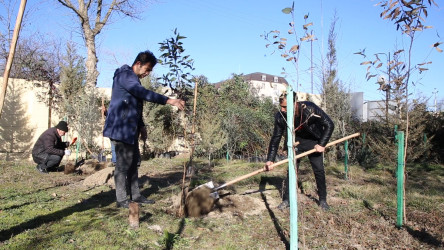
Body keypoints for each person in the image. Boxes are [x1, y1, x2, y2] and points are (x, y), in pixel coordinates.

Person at [103, 50, 185, 209]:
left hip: (130, 129)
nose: (147, 73)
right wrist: (169, 101)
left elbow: (135, 106)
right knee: (123, 164)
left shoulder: (133, 80)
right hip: (120, 128)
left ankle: (136, 195)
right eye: (147, 69)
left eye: (150, 71)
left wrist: (141, 126)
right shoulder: (125, 76)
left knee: (134, 163)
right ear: (138, 64)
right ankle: (121, 199)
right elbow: (142, 93)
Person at [264, 92, 334, 211]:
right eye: (281, 106)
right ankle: (287, 200)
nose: (282, 109)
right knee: (292, 171)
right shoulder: (280, 116)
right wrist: (270, 159)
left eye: (285, 107)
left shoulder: (310, 109)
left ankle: (322, 200)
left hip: (313, 141)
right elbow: (276, 138)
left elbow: (329, 124)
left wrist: (322, 144)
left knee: (319, 170)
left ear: (294, 104)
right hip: (295, 142)